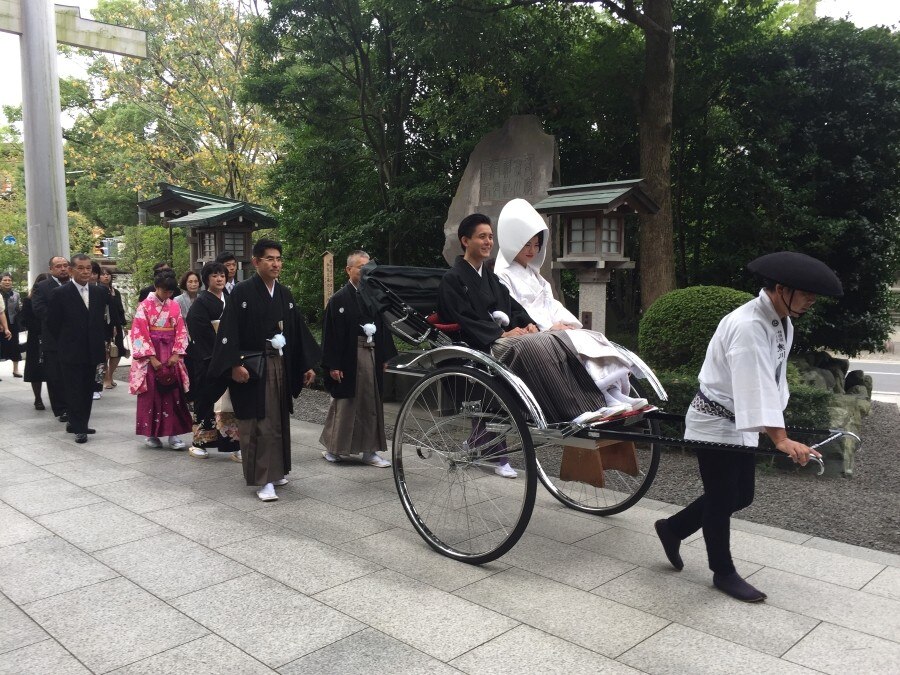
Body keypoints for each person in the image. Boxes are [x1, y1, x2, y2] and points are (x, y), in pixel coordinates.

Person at [653, 251, 843, 603]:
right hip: (713, 420)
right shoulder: (748, 326)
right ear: (781, 288)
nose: (811, 300)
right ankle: (722, 571)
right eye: (806, 293)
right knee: (724, 497)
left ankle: (673, 528)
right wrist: (781, 439)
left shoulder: (780, 319)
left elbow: (771, 381)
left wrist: (778, 427)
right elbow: (752, 383)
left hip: (739, 421)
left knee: (741, 495)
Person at [494, 199, 647, 416]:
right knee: (575, 344)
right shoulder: (502, 276)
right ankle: (602, 398)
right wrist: (548, 327)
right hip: (537, 330)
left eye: (536, 244)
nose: (532, 250)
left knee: (590, 337)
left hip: (550, 325)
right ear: (513, 243)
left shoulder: (534, 275)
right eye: (527, 244)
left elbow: (551, 303)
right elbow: (516, 310)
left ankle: (613, 393)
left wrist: (568, 323)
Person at [209, 238, 320, 502]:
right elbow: (229, 331)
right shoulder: (242, 293)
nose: (276, 263)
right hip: (254, 365)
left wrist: (306, 365)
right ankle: (263, 478)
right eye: (269, 258)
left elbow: (297, 331)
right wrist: (235, 364)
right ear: (256, 262)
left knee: (278, 419)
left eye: (279, 258)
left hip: (280, 362)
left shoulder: (284, 294)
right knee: (258, 423)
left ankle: (277, 470)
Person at [319, 250, 396, 467]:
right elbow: (330, 335)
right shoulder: (339, 299)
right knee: (345, 404)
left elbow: (384, 327)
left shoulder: (374, 295)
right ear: (348, 270)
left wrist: (385, 356)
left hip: (371, 352)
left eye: (367, 267)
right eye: (360, 267)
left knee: (371, 403)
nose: (364, 271)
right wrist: (333, 364)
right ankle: (334, 448)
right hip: (348, 356)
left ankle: (370, 451)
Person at [46, 254, 108, 443]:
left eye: (88, 268)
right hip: (70, 350)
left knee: (88, 388)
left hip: (93, 350)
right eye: (80, 268)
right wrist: (66, 342)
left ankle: (78, 422)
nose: (85, 272)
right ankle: (79, 427)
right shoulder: (60, 293)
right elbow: (53, 324)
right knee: (74, 389)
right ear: (72, 270)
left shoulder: (99, 292)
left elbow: (101, 322)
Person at [129, 272, 192, 450]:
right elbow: (138, 333)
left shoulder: (174, 306)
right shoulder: (145, 306)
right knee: (152, 394)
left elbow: (181, 330)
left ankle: (174, 435)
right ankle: (152, 434)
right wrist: (151, 357)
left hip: (171, 353)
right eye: (165, 291)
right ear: (156, 287)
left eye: (170, 292)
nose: (167, 295)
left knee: (174, 393)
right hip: (151, 355)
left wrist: (176, 354)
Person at [185, 261, 241, 461]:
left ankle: (234, 444)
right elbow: (197, 330)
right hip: (208, 359)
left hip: (230, 358)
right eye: (215, 275)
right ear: (207, 279)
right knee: (208, 401)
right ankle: (199, 442)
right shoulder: (201, 303)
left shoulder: (231, 299)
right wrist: (216, 354)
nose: (219, 279)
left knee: (232, 403)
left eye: (222, 276)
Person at [32, 256, 71, 421]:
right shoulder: (42, 287)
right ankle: (61, 409)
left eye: (65, 265)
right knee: (55, 376)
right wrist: (62, 321)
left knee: (73, 375)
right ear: (51, 269)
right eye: (58, 266)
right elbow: (40, 309)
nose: (62, 269)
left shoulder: (75, 284)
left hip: (75, 339)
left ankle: (74, 406)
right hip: (53, 338)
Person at [22, 273, 48, 409]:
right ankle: (37, 398)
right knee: (35, 370)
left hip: (52, 338)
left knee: (53, 370)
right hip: (35, 338)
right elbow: (25, 320)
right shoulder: (28, 301)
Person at [100, 268, 127, 390]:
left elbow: (120, 309)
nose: (106, 277)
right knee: (105, 352)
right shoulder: (97, 291)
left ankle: (110, 375)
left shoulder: (115, 292)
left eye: (108, 274)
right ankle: (105, 378)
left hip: (117, 325)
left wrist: (123, 324)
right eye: (103, 274)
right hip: (103, 326)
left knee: (117, 351)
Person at [0, 273, 22, 378]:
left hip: (12, 323)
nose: (7, 282)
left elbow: (18, 309)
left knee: (15, 346)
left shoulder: (16, 294)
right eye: (5, 280)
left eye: (9, 280)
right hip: (0, 323)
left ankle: (16, 369)